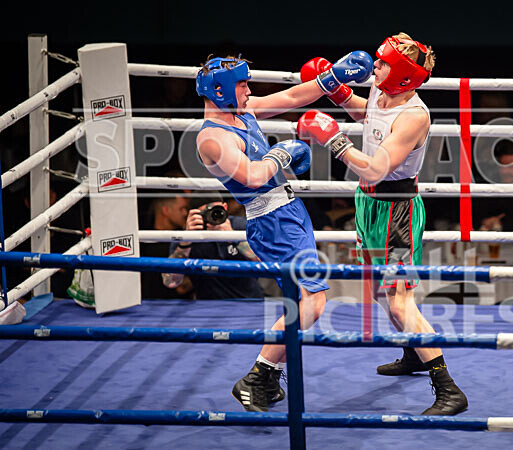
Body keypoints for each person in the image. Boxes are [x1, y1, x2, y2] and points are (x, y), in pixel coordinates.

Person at [297, 33, 468, 416]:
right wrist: (338, 93)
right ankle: (413, 353)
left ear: (404, 76)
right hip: (368, 203)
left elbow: (375, 167)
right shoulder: (381, 88)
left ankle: (448, 388)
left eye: (383, 62)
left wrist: (334, 140)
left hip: (396, 211)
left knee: (399, 299)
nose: (374, 66)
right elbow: (369, 116)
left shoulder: (414, 116)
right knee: (380, 290)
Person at [194, 53, 372, 412]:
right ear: (220, 90)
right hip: (272, 222)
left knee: (303, 298)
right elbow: (253, 176)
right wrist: (282, 153)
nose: (249, 91)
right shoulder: (212, 138)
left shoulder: (243, 112)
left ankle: (269, 378)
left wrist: (333, 78)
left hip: (288, 212)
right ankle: (256, 377)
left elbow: (292, 96)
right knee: (313, 302)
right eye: (242, 85)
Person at [161, 192, 263, 299]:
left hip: (250, 301)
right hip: (208, 304)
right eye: (206, 213)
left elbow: (263, 262)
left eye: (217, 210)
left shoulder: (239, 225)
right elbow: (170, 282)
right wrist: (185, 244)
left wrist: (233, 237)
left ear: (225, 207)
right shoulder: (187, 236)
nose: (213, 216)